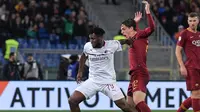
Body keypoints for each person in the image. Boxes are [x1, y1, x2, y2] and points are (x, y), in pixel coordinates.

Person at [68, 27, 136, 112]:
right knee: (72, 101)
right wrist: (80, 72)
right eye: (90, 38)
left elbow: (121, 42)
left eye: (93, 38)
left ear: (100, 37)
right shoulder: (88, 46)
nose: (91, 41)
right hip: (93, 81)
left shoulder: (111, 45)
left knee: (124, 106)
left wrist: (127, 41)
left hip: (108, 82)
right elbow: (83, 56)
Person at [120, 1, 155, 112]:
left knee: (138, 101)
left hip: (140, 71)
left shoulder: (140, 35)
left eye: (124, 29)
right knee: (129, 105)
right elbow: (132, 34)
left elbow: (152, 28)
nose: (122, 31)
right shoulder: (133, 37)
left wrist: (148, 13)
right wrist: (134, 23)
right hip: (134, 74)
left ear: (131, 28)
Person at [176, 12, 200, 112]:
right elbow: (177, 51)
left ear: (198, 21)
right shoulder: (184, 34)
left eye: (194, 20)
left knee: (197, 95)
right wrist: (182, 66)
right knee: (196, 94)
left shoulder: (199, 34)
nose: (192, 23)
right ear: (187, 21)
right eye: (190, 21)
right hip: (191, 68)